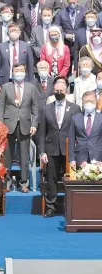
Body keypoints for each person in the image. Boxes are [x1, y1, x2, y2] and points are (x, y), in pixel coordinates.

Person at [38, 82, 81, 218]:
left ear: (66, 91)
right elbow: (42, 132)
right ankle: (51, 206)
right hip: (51, 149)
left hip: (69, 150)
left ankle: (70, 207)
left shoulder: (75, 108)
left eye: (61, 90)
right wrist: (42, 152)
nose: (58, 92)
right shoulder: (46, 109)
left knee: (71, 179)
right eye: (56, 90)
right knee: (52, 179)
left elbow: (79, 131)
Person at [0, 63, 39, 193]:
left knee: (24, 156)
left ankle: (24, 183)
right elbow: (1, 107)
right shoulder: (6, 87)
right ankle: (6, 182)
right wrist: (1, 124)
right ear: (12, 72)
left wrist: (34, 124)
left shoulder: (31, 88)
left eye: (21, 70)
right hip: (8, 125)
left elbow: (35, 108)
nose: (19, 72)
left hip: (25, 125)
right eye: (16, 70)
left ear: (25, 73)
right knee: (7, 156)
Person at [69, 91, 102, 170]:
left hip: (98, 158)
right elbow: (71, 139)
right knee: (80, 181)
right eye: (86, 101)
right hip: (80, 157)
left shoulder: (100, 118)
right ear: (82, 102)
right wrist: (72, 159)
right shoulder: (75, 118)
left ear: (96, 102)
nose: (89, 103)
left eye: (91, 101)